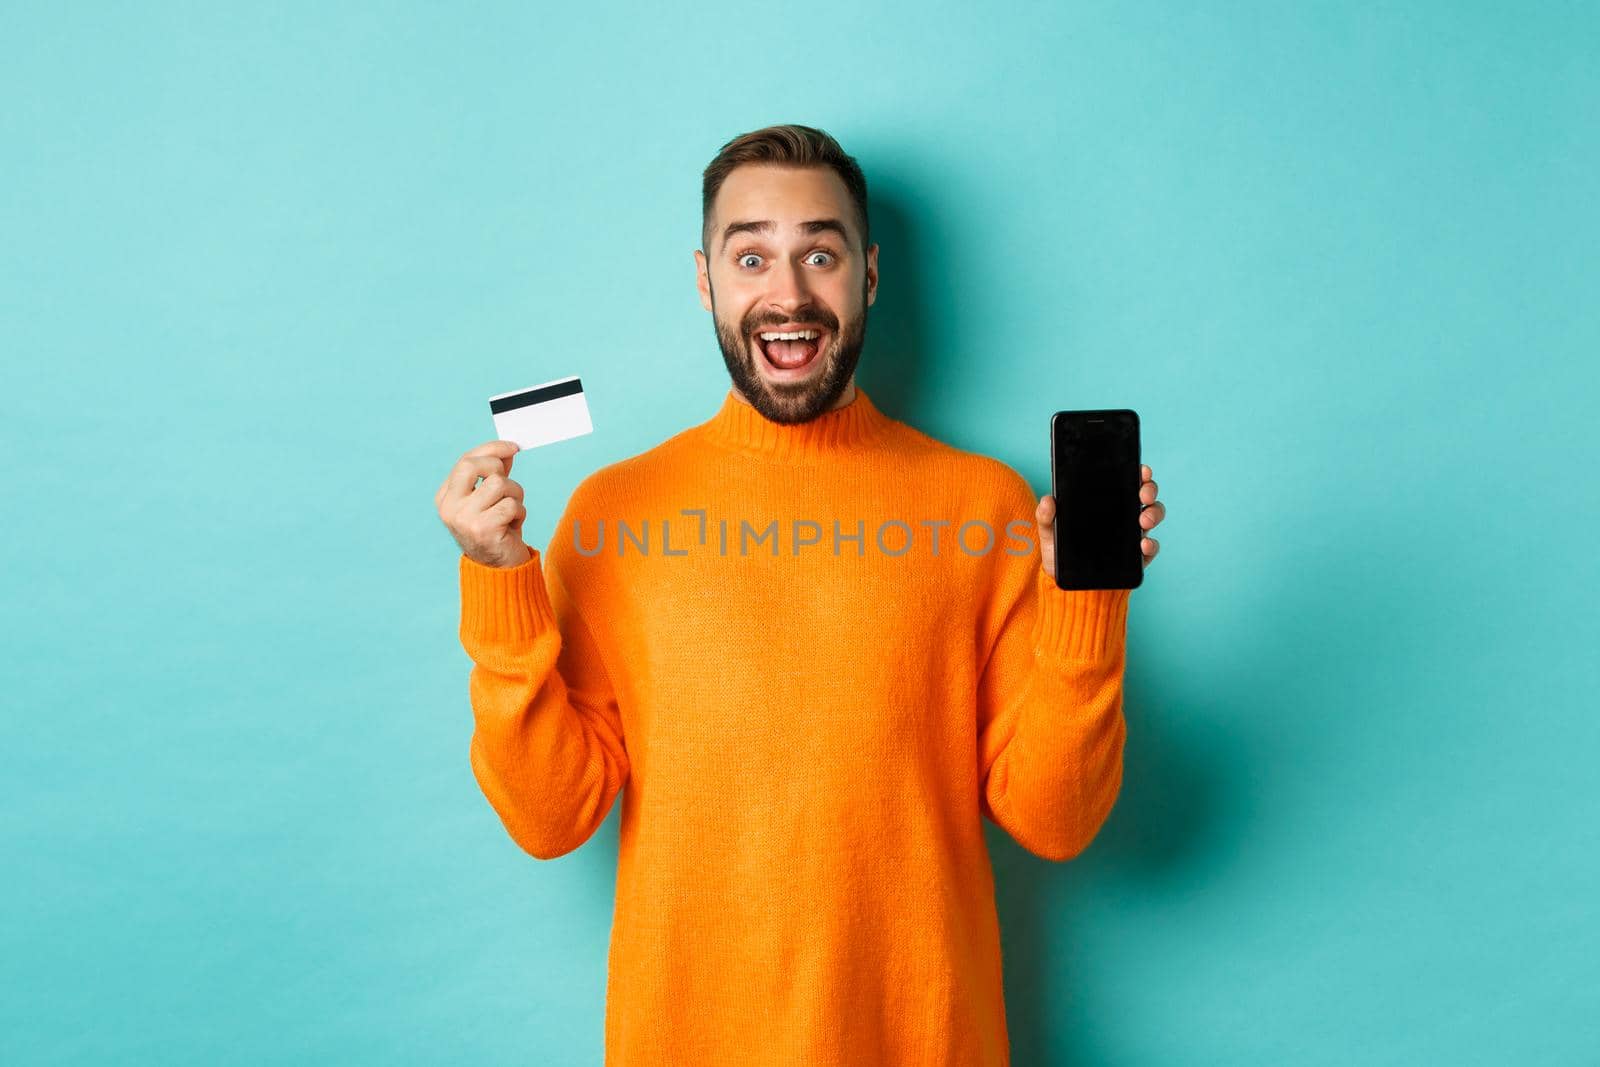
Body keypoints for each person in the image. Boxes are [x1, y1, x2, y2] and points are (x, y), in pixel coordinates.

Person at [435, 123, 1167, 1066]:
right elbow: (549, 816)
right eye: (752, 257)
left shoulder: (984, 505)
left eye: (820, 253)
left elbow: (1056, 820)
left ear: (868, 275)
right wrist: (502, 582)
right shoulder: (614, 510)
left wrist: (1086, 600)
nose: (787, 294)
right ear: (706, 281)